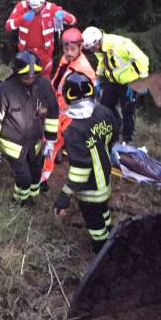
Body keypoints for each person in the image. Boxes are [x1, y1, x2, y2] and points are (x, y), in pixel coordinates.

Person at [53, 72, 119, 253]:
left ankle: (101, 247)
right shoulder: (104, 112)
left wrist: (64, 196)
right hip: (105, 176)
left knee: (93, 218)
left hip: (90, 188)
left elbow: (80, 169)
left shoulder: (73, 130)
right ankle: (110, 231)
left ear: (67, 96)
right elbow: (113, 137)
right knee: (103, 208)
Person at [0, 50, 59, 205]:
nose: (30, 78)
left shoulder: (44, 85)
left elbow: (52, 112)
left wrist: (51, 140)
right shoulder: (5, 90)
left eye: (33, 75)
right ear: (17, 72)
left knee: (36, 172)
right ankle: (20, 200)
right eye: (26, 76)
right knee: (24, 177)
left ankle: (33, 196)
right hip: (13, 143)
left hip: (35, 141)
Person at [40, 27, 96, 185]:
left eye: (72, 49)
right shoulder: (66, 59)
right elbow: (57, 80)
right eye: (66, 48)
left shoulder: (84, 70)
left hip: (69, 114)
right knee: (49, 139)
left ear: (80, 47)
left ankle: (42, 178)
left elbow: (90, 97)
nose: (69, 52)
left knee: (50, 142)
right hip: (57, 107)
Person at [81, 26, 149, 143]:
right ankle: (116, 127)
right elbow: (102, 61)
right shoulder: (100, 49)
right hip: (112, 81)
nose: (93, 51)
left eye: (93, 48)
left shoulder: (120, 45)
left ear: (97, 42)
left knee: (128, 110)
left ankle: (127, 139)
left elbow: (142, 59)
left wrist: (142, 81)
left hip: (129, 83)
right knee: (105, 106)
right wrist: (96, 77)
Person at [5, 0, 77, 76]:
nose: (34, 9)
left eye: (37, 7)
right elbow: (8, 26)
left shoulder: (51, 8)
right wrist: (22, 19)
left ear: (43, 3)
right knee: (25, 79)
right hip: (26, 53)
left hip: (45, 55)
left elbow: (73, 20)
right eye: (32, 6)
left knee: (44, 81)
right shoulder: (22, 7)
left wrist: (63, 15)